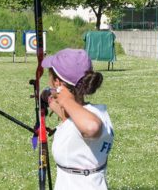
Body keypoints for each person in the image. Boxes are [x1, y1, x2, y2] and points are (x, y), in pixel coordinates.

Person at [42, 48, 114, 190]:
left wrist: (66, 100)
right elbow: (67, 116)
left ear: (57, 83)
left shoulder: (91, 119)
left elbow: (92, 127)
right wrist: (46, 96)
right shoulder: (91, 112)